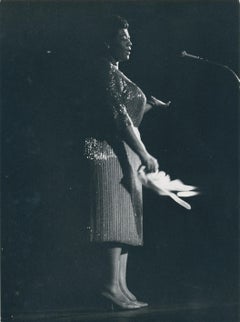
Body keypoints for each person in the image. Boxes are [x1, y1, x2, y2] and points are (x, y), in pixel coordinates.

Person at [81, 15, 170, 310]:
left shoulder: (120, 75)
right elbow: (119, 119)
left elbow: (132, 117)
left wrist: (147, 105)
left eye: (130, 37)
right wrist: (145, 153)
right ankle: (109, 286)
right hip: (107, 151)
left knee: (126, 219)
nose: (130, 42)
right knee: (113, 217)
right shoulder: (104, 71)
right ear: (107, 42)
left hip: (124, 151)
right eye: (123, 38)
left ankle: (121, 285)